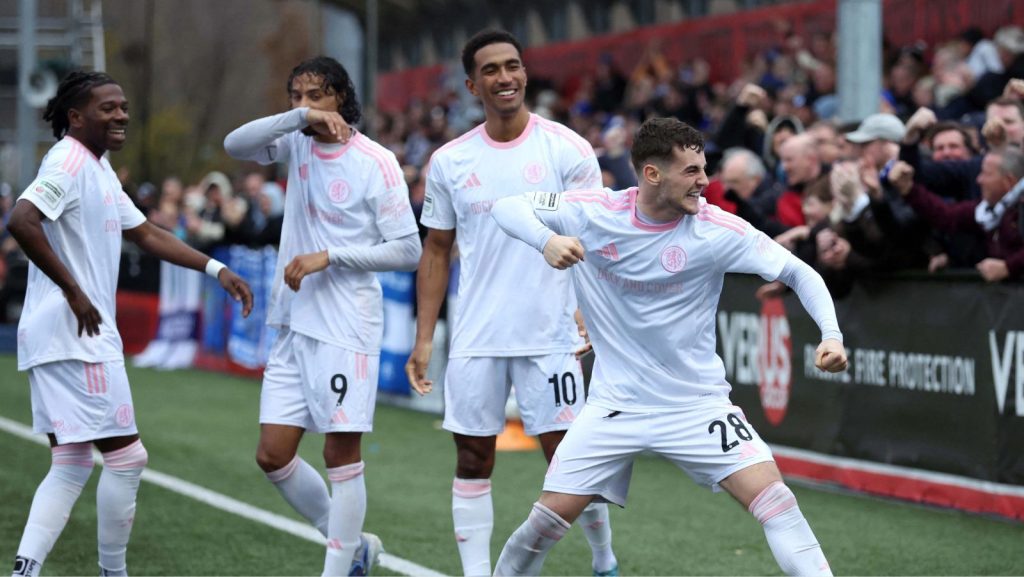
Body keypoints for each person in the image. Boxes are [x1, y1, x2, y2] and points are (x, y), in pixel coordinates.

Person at [489, 117, 847, 577]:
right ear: (653, 174)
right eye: (692, 171)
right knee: (544, 525)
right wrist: (547, 240)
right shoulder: (594, 211)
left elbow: (800, 272)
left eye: (704, 169)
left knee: (777, 501)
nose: (705, 181)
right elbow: (507, 206)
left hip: (696, 405)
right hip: (614, 406)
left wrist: (831, 335)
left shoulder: (716, 230)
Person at [8, 71, 253, 577]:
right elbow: (21, 220)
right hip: (76, 335)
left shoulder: (97, 168)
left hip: (61, 335)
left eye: (122, 106)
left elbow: (146, 234)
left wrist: (216, 268)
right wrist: (74, 290)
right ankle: (113, 573)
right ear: (76, 118)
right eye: (107, 108)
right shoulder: (69, 161)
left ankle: (25, 570)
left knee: (73, 462)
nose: (121, 115)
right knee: (127, 458)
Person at [404, 29, 618, 577]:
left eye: (513, 66)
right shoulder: (450, 161)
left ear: (524, 73)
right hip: (477, 334)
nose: (506, 77)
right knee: (473, 458)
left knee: (567, 458)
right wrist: (426, 336)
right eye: (492, 70)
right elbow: (437, 250)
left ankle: (604, 561)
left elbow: (593, 235)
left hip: (551, 331)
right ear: (473, 84)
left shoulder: (567, 149)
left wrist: (586, 309)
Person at [224, 56, 421, 576]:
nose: (304, 105)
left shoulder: (375, 162)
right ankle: (353, 546)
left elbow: (407, 249)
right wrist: (296, 120)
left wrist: (330, 256)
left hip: (345, 323)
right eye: (296, 96)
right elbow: (234, 145)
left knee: (340, 452)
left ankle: (338, 568)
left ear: (340, 96)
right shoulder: (297, 141)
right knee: (273, 454)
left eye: (315, 95)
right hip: (291, 319)